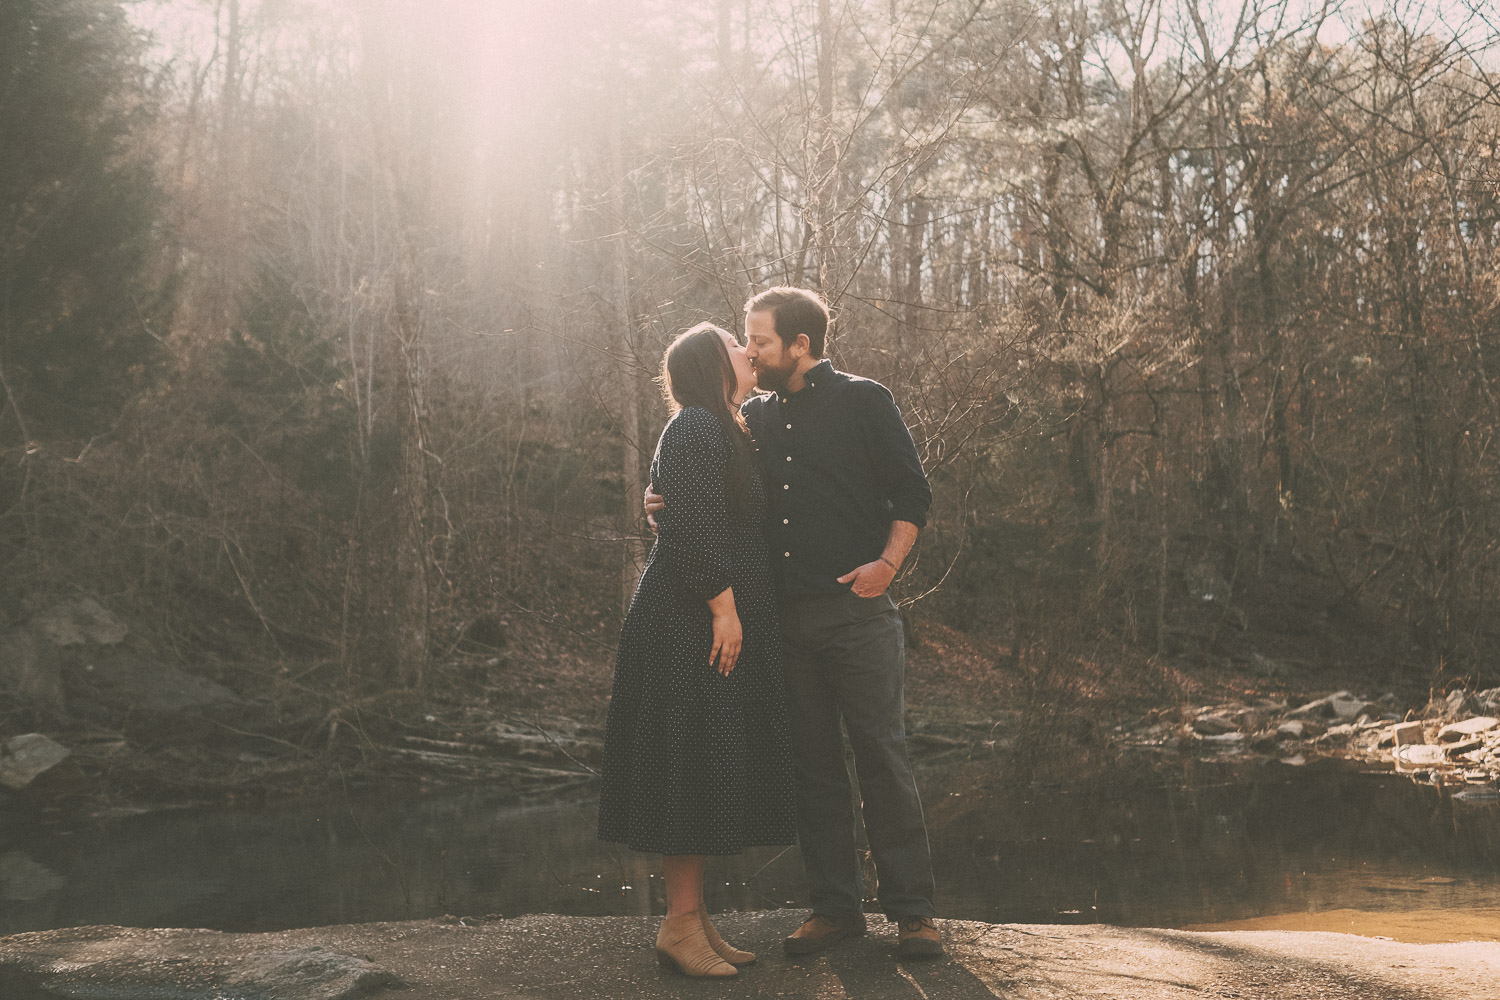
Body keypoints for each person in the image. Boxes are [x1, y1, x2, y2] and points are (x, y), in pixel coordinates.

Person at [647, 287, 942, 961]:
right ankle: (835, 910)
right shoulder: (749, 415)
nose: (751, 350)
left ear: (801, 346)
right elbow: (702, 485)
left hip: (858, 616)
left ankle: (914, 913)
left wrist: (887, 565)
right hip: (783, 624)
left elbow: (913, 492)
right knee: (813, 769)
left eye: (762, 340)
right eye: (747, 340)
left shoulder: (865, 401)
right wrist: (654, 496)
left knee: (882, 759)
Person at [597, 322, 796, 979]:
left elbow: (684, 506)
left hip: (709, 614)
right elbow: (694, 521)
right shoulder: (695, 429)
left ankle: (694, 918)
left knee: (705, 757)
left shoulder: (724, 425)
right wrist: (724, 609)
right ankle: (679, 925)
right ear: (715, 367)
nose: (749, 352)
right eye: (738, 348)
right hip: (691, 620)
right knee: (686, 755)